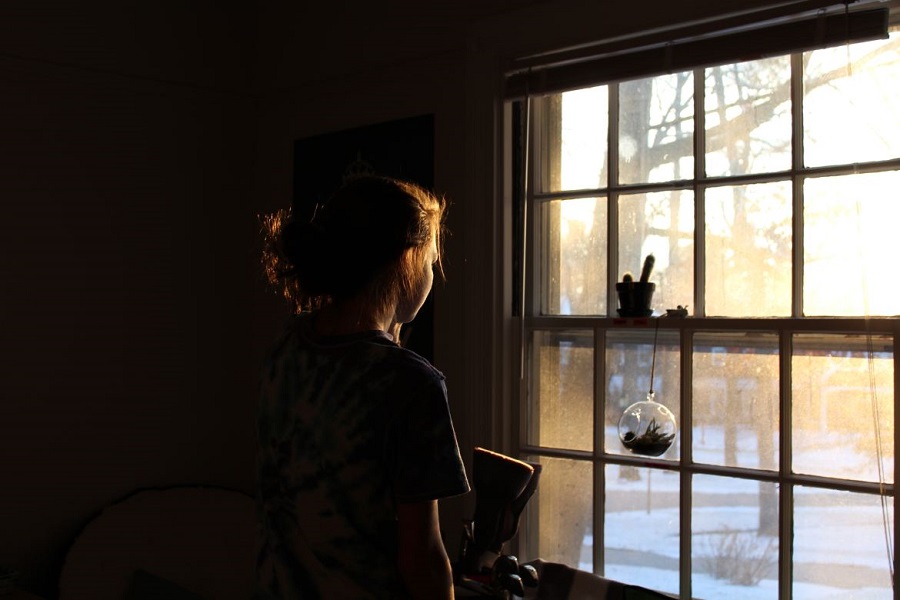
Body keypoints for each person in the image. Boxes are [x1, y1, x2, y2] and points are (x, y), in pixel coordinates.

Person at [255, 174, 470, 599]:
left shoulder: (286, 347)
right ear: (407, 261)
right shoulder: (411, 384)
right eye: (430, 261)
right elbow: (421, 556)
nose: (431, 273)